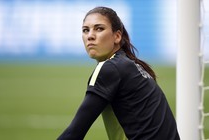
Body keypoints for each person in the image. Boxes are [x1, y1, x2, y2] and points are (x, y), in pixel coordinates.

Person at [57, 6, 180, 140]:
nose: (90, 36)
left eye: (99, 29)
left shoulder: (111, 69)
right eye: (85, 30)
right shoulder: (128, 65)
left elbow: (74, 133)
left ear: (117, 36)